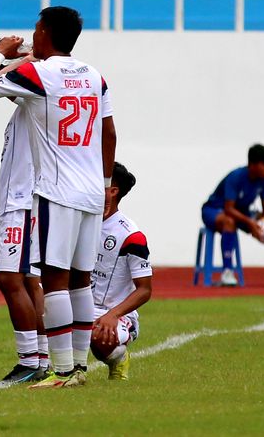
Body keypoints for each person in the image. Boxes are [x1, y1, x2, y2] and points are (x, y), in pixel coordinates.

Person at [0, 6, 117, 389]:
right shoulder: (94, 75)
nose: (32, 35)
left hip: (56, 190)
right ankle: (80, 368)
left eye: (36, 29)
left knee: (53, 281)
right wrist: (103, 186)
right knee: (80, 281)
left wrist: (0, 54)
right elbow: (109, 132)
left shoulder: (38, 73)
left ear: (46, 33)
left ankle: (62, 370)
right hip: (88, 191)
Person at [0, 43, 48, 385]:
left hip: (21, 201)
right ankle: (41, 358)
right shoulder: (29, 104)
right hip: (23, 200)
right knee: (27, 279)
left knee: (11, 278)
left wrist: (3, 56)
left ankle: (30, 362)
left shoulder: (33, 93)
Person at [201, 144, 264, 287]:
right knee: (229, 222)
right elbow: (229, 209)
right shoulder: (236, 177)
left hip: (242, 211)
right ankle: (227, 272)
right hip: (215, 210)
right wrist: (250, 223)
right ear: (253, 165)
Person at [90, 162, 152, 381]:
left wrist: (112, 314)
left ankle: (118, 358)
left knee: (100, 337)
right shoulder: (79, 222)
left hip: (115, 313)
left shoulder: (131, 235)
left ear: (113, 191)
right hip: (79, 304)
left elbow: (145, 290)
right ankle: (47, 369)